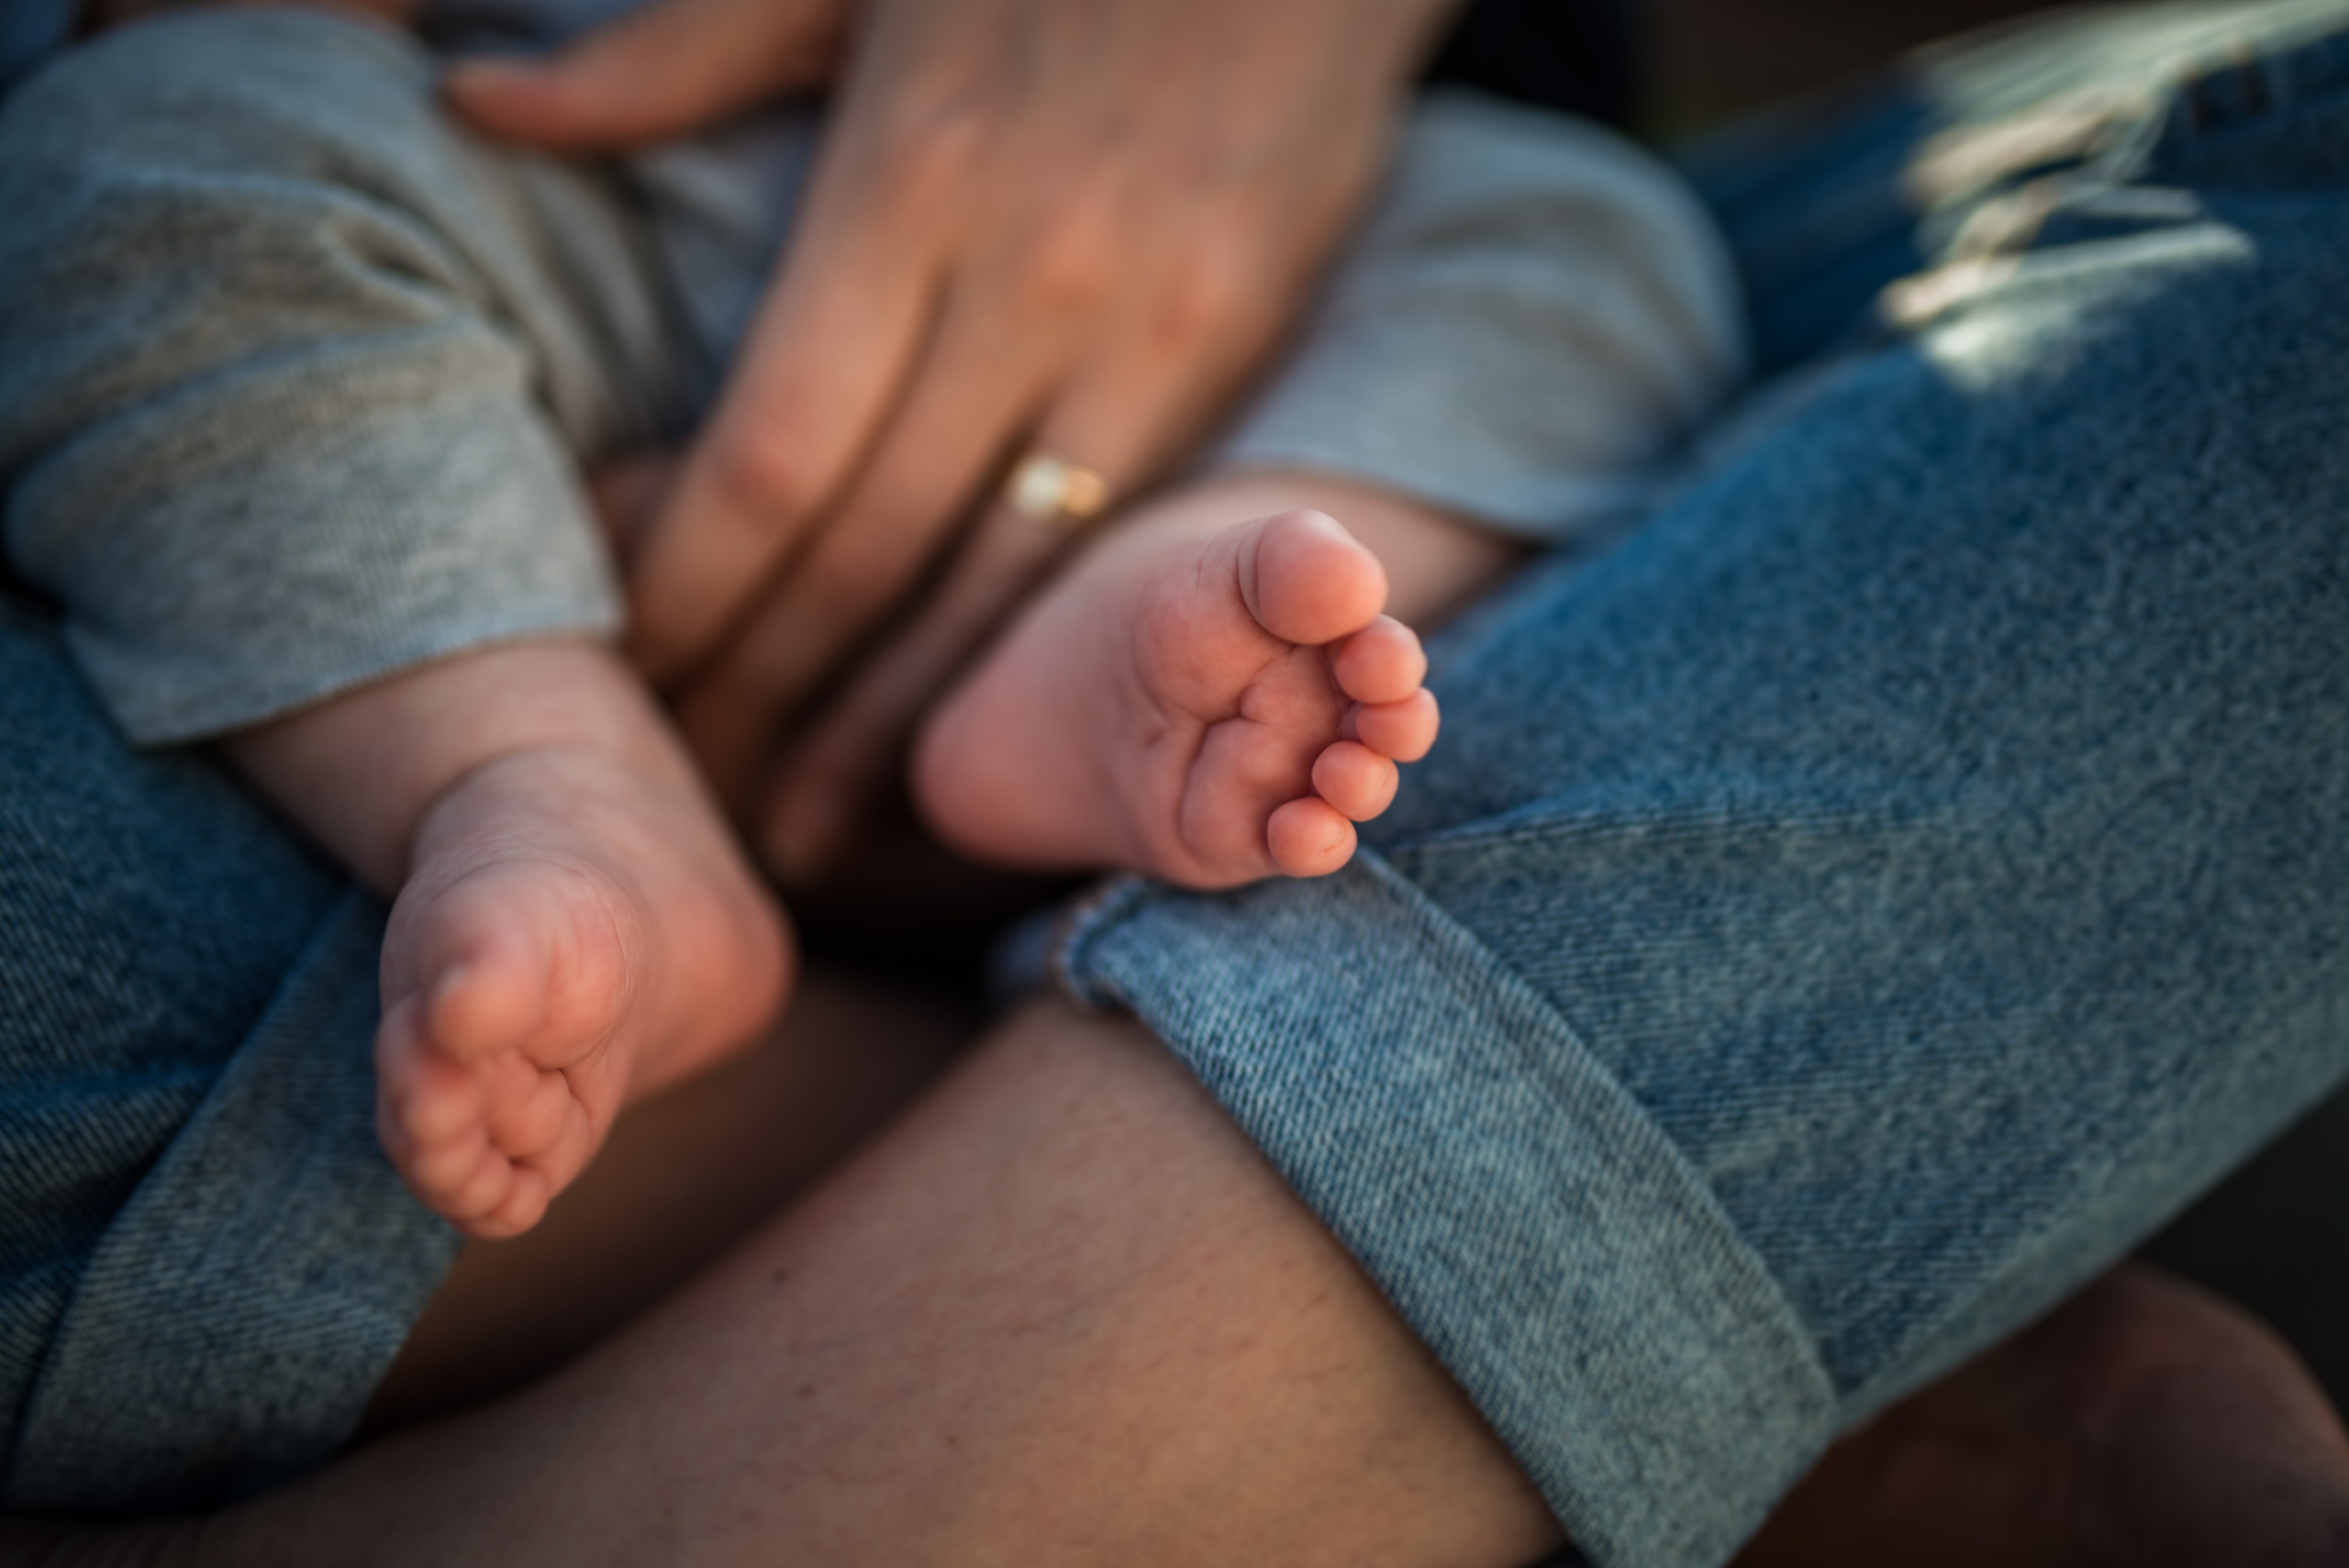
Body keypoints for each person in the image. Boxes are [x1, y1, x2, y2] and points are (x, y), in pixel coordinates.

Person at [8, 2, 2349, 1565]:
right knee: (151, 172)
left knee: (1576, 250)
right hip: (488, 201)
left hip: (1265, 223)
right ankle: (548, 790)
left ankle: (1114, 730)